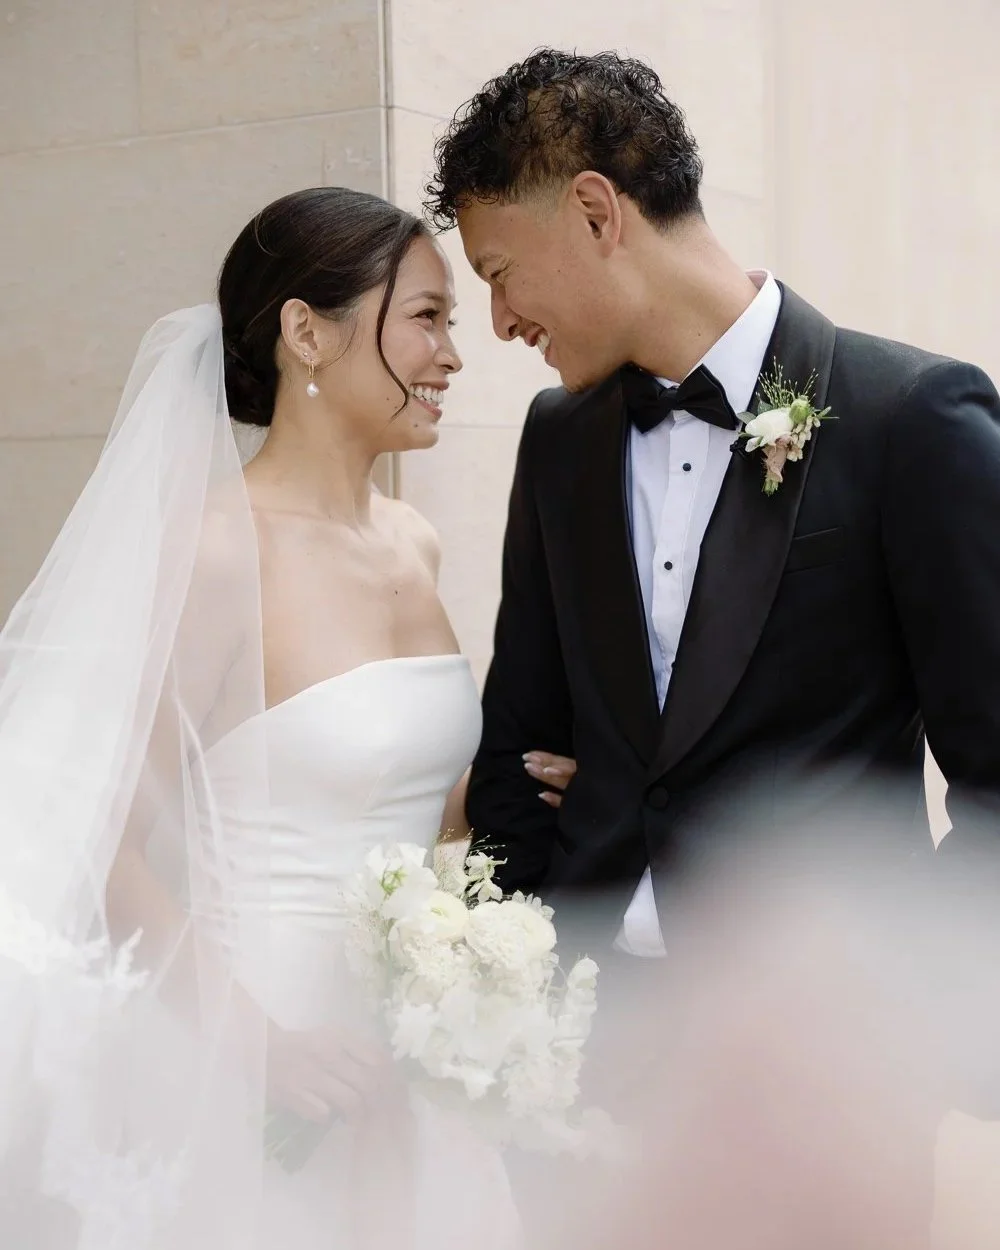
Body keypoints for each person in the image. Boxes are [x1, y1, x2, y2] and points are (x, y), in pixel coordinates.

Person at [425, 48, 1000, 1244]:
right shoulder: (557, 438)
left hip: (824, 1090)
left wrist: (889, 1015)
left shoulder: (912, 420)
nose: (497, 322)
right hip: (584, 1077)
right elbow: (517, 747)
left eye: (496, 273)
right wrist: (517, 1011)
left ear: (594, 212)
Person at [0, 186, 574, 1249]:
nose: (455, 353)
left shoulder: (414, 542)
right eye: (427, 317)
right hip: (255, 1046)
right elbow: (107, 847)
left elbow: (406, 799)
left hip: (410, 1051)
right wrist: (265, 1046)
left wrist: (530, 782)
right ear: (307, 330)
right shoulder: (215, 550)